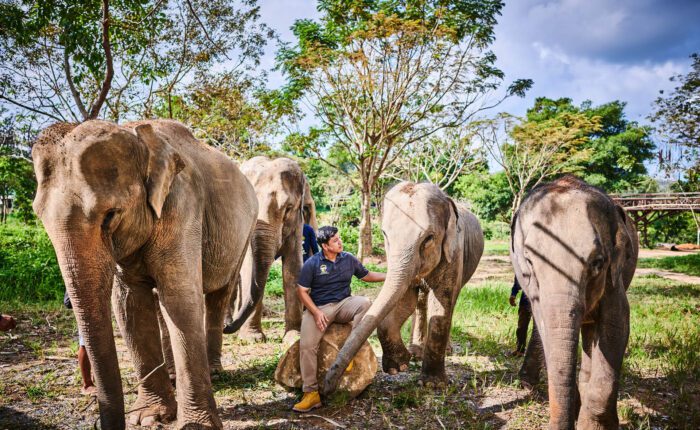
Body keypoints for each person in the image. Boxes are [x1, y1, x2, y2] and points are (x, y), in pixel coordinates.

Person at [292, 226, 386, 412]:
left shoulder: (348, 258)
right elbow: (301, 291)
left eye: (339, 238)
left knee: (365, 302)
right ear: (325, 246)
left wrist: (390, 276)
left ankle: (348, 351)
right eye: (335, 240)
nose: (340, 242)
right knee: (307, 346)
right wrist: (317, 313)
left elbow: (366, 276)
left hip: (344, 304)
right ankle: (311, 394)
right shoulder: (312, 263)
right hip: (320, 308)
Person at [64, 291, 97, 396]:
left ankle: (95, 377)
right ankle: (87, 384)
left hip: (95, 301)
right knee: (85, 342)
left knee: (96, 341)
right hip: (83, 300)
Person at [509, 276, 531, 357]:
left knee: (540, 329)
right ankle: (520, 349)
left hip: (543, 299)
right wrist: (513, 293)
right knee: (522, 326)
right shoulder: (525, 264)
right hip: (526, 299)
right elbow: (519, 275)